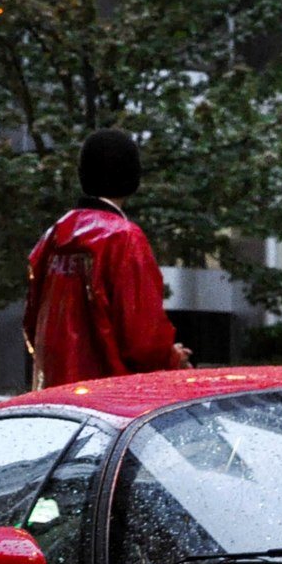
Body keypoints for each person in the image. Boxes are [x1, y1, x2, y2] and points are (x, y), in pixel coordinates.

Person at [23, 129, 191, 388]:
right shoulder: (124, 238)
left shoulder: (53, 237)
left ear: (83, 175)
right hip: (109, 402)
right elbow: (143, 342)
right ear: (133, 176)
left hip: (55, 398)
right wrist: (172, 358)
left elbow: (32, 324)